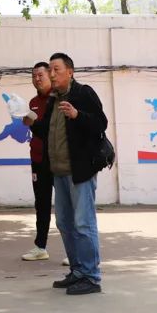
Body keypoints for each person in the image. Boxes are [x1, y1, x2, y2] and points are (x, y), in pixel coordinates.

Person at [27, 53, 108, 296]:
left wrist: (77, 115)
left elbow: (100, 123)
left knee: (84, 223)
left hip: (79, 171)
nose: (51, 74)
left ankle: (91, 276)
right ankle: (77, 271)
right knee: (65, 223)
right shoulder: (53, 100)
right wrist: (30, 120)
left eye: (56, 69)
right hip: (58, 171)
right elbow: (46, 131)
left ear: (70, 71)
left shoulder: (83, 93)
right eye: (50, 70)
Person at [22, 62, 57, 262]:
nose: (37, 79)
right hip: (38, 160)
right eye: (34, 75)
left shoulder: (59, 97)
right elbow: (33, 126)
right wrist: (27, 121)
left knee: (65, 206)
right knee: (41, 204)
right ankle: (40, 247)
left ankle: (74, 250)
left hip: (58, 160)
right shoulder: (33, 101)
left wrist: (34, 123)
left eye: (40, 75)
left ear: (50, 75)